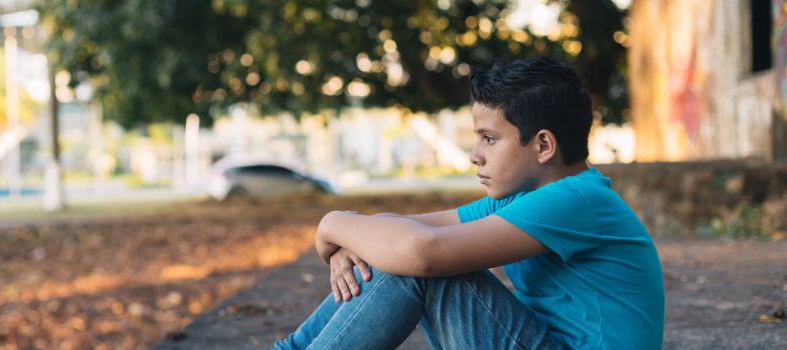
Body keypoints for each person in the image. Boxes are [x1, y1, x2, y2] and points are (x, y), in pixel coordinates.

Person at [274, 56, 665, 350]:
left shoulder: (576, 200)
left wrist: (333, 224)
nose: (474, 155)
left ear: (544, 145)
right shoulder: (524, 199)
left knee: (416, 261)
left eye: (489, 139)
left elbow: (420, 252)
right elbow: (399, 230)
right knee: (397, 246)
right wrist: (355, 235)